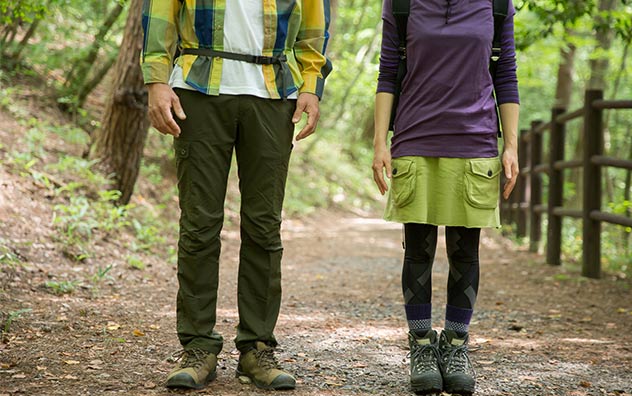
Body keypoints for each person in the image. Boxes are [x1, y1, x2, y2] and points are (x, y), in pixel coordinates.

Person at [141, 0, 331, 391]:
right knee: (199, 224)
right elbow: (161, 11)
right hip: (197, 88)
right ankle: (198, 347)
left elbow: (314, 27)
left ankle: (256, 348)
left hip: (275, 94)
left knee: (264, 227)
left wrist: (312, 86)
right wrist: (156, 79)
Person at [372, 0, 519, 394]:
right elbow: (388, 73)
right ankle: (421, 346)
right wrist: (379, 143)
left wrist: (512, 146)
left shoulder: (497, 5)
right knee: (417, 250)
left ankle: (456, 346)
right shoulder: (401, 4)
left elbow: (505, 73)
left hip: (476, 140)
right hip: (415, 137)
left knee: (465, 251)